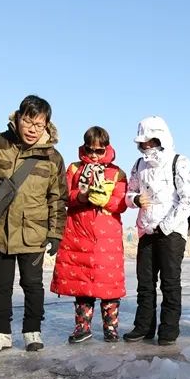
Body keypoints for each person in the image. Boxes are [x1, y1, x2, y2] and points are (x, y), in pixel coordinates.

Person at [0, 95, 67, 353]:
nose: (32, 129)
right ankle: (0, 333)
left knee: (32, 284)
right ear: (18, 118)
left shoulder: (52, 157)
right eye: (28, 121)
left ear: (47, 126)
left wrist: (55, 234)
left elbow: (58, 198)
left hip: (33, 232)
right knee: (1, 285)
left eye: (39, 124)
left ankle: (32, 331)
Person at [123, 116, 190, 345]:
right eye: (143, 142)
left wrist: (166, 226)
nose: (147, 146)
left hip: (171, 233)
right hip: (146, 230)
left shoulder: (179, 161)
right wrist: (135, 199)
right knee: (145, 283)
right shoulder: (138, 165)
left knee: (170, 281)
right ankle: (143, 326)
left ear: (161, 138)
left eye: (151, 141)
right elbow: (128, 195)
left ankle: (168, 329)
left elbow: (189, 199)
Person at [51, 126, 129, 343]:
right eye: (90, 149)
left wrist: (105, 200)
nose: (94, 155)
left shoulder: (117, 172)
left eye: (99, 150)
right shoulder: (74, 169)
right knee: (82, 284)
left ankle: (111, 327)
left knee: (109, 284)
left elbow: (122, 203)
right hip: (79, 232)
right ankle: (82, 327)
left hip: (107, 236)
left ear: (107, 148)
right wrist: (81, 197)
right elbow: (64, 195)